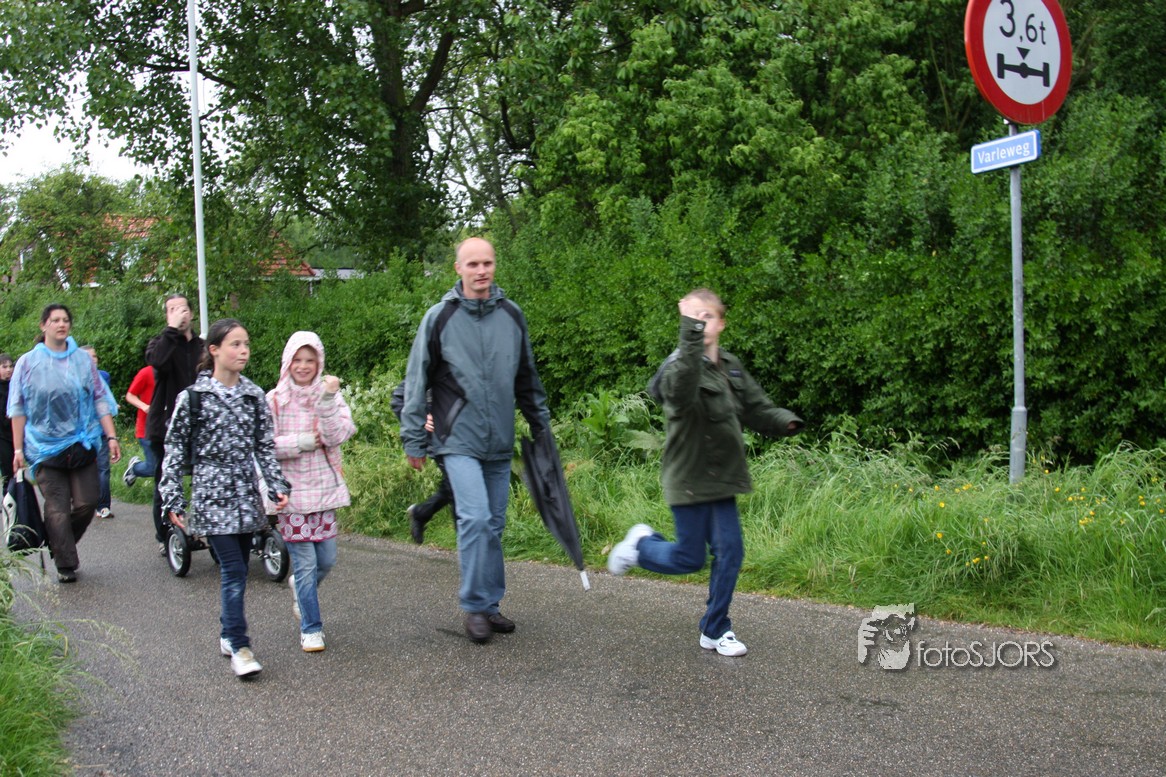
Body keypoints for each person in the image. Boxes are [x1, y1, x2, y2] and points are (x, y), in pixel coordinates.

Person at [607, 288, 803, 657]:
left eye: (707, 316)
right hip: (688, 477)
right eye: (693, 318)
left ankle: (715, 629)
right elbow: (681, 394)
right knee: (689, 559)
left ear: (722, 323)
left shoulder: (730, 366)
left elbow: (755, 407)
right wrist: (692, 335)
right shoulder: (678, 366)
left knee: (731, 552)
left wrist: (785, 422)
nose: (700, 323)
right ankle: (641, 546)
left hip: (722, 477)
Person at [401, 236, 551, 644]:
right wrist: (414, 439)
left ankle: (490, 604)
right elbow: (416, 380)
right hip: (456, 438)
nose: (481, 270)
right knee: (475, 518)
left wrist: (541, 428)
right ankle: (473, 607)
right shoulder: (440, 317)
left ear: (494, 265)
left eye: (487, 263)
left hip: (499, 439)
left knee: (494, 526)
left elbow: (527, 379)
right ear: (458, 269)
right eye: (473, 264)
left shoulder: (511, 315)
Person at [159, 318, 289, 679]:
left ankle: (227, 634)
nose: (243, 351)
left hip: (246, 495)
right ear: (214, 350)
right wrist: (172, 498)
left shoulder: (254, 396)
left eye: (246, 344)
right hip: (211, 495)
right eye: (235, 344)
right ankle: (240, 646)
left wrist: (277, 485)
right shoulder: (194, 398)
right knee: (233, 570)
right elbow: (174, 450)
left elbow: (264, 447)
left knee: (239, 568)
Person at [7, 304, 121, 583]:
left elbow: (99, 398)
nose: (61, 324)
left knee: (87, 502)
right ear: (43, 325)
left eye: (65, 320)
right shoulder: (28, 363)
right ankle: (65, 563)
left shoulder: (82, 361)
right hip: (43, 448)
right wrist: (18, 449)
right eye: (55, 320)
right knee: (56, 509)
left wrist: (112, 436)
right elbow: (18, 408)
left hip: (81, 444)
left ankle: (57, 541)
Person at [267, 331, 355, 653]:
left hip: (323, 491)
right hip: (290, 495)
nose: (303, 366)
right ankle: (311, 628)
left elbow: (336, 436)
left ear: (319, 362)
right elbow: (263, 446)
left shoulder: (329, 394)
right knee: (305, 565)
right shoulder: (274, 399)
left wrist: (328, 399)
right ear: (287, 362)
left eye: (310, 360)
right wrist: (300, 442)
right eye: (297, 360)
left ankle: (300, 589)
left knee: (327, 560)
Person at [146, 295, 204, 555]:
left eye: (182, 308)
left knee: (206, 479)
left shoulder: (203, 346)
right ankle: (165, 534)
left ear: (191, 312)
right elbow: (157, 362)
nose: (179, 313)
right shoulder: (160, 343)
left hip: (200, 427)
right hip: (165, 427)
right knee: (166, 480)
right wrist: (171, 330)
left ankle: (206, 528)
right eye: (172, 310)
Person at [391, 380, 457, 544]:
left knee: (455, 487)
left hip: (470, 440)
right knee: (457, 488)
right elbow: (399, 398)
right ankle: (469, 549)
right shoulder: (432, 365)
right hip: (441, 440)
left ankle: (420, 513)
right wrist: (420, 420)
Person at [80, 345, 115, 519]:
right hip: (81, 434)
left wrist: (112, 436)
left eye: (94, 356)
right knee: (83, 470)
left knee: (103, 468)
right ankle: (82, 502)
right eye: (88, 357)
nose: (93, 360)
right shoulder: (73, 378)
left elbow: (104, 401)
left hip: (100, 430)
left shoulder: (104, 376)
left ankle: (103, 506)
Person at [122, 364, 157, 487]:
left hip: (166, 428)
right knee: (153, 467)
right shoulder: (146, 372)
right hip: (146, 428)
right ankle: (135, 468)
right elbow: (130, 395)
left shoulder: (175, 371)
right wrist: (144, 406)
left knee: (166, 467)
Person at [0, 353, 15, 494]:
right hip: (2, 435)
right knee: (7, 469)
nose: (9, 370)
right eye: (4, 367)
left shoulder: (15, 385)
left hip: (16, 432)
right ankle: (8, 498)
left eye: (11, 366)